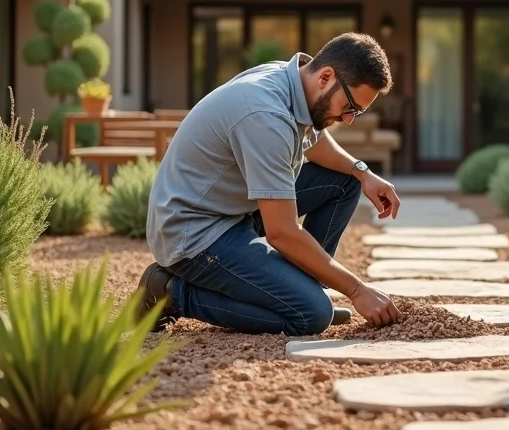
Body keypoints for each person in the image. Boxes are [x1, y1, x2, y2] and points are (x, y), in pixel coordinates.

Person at [134, 32, 403, 335]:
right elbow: (282, 233)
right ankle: (172, 292)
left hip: (233, 210)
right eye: (350, 106)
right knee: (311, 316)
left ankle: (296, 290)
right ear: (326, 77)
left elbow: (313, 142)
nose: (349, 119)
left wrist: (362, 172)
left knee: (345, 181)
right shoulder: (265, 114)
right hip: (194, 232)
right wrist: (357, 290)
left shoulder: (293, 81)